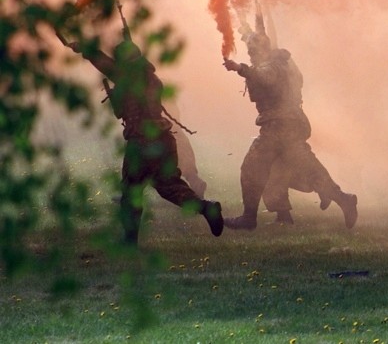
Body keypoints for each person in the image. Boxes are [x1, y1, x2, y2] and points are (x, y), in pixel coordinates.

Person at [69, 37, 224, 245]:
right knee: (170, 186)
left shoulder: (128, 78)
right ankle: (206, 208)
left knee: (130, 191)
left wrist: (85, 48)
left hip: (141, 143)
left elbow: (104, 63)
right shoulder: (152, 79)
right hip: (164, 140)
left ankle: (129, 241)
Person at [222, 24, 358, 231]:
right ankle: (341, 200)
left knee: (252, 168)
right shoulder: (278, 62)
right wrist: (245, 29)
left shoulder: (272, 66)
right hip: (288, 126)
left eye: (253, 51)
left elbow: (265, 77)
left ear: (263, 50)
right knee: (290, 169)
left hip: (279, 128)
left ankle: (249, 218)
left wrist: (240, 68)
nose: (251, 55)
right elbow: (256, 46)